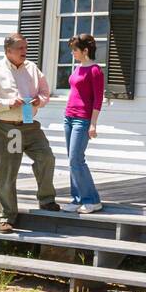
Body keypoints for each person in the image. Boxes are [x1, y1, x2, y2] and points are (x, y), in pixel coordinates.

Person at [0, 33, 60, 233]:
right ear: (8, 51)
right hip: (5, 127)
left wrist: (41, 100)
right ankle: (6, 217)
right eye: (20, 48)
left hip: (29, 124)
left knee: (46, 157)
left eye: (26, 47)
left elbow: (44, 92)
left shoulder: (32, 68)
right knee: (7, 173)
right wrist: (7, 103)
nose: (25, 51)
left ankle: (47, 200)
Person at [62, 33, 104, 213]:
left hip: (82, 119)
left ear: (85, 50)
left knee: (76, 159)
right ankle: (77, 199)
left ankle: (92, 200)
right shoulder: (78, 68)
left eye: (75, 50)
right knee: (72, 161)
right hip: (69, 117)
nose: (72, 53)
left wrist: (93, 124)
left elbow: (97, 99)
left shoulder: (95, 71)